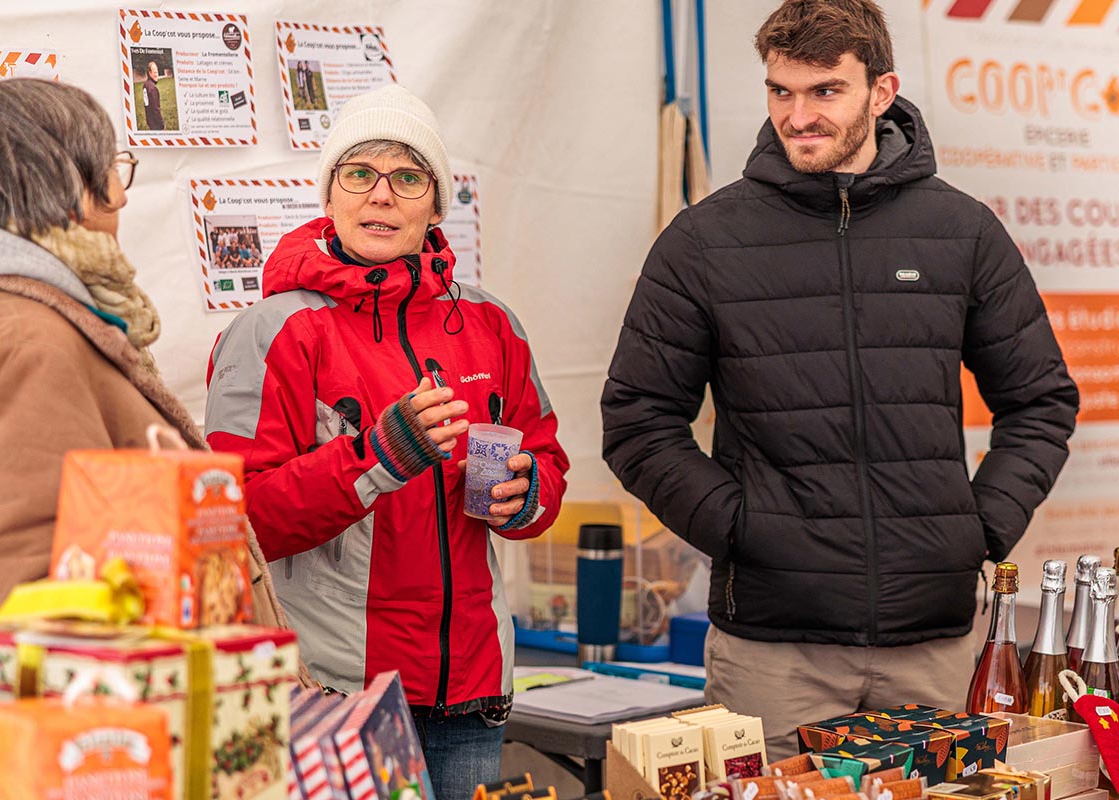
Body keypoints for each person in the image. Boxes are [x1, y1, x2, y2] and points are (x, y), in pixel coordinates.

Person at [601, 0, 1077, 759]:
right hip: (772, 651)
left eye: (824, 91)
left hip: (933, 646)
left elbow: (1041, 400)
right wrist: (741, 529)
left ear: (880, 92)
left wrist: (977, 530)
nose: (798, 116)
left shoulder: (963, 232)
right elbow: (638, 419)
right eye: (780, 91)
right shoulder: (704, 242)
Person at [205, 84, 569, 796]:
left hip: (472, 687)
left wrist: (527, 496)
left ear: (436, 206)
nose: (381, 196)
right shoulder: (273, 331)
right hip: (340, 694)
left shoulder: (493, 324)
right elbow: (232, 524)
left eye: (407, 178)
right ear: (330, 196)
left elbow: (547, 462)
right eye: (359, 174)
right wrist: (377, 459)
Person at [0, 78, 290, 640]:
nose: (122, 195)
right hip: (104, 716)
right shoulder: (22, 345)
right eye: (114, 170)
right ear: (69, 192)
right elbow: (47, 602)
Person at [143, 60, 165, 130]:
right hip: (156, 124)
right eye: (154, 72)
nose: (157, 74)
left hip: (150, 120)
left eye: (157, 72)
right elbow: (156, 109)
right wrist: (161, 124)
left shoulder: (145, 85)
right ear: (149, 73)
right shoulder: (152, 88)